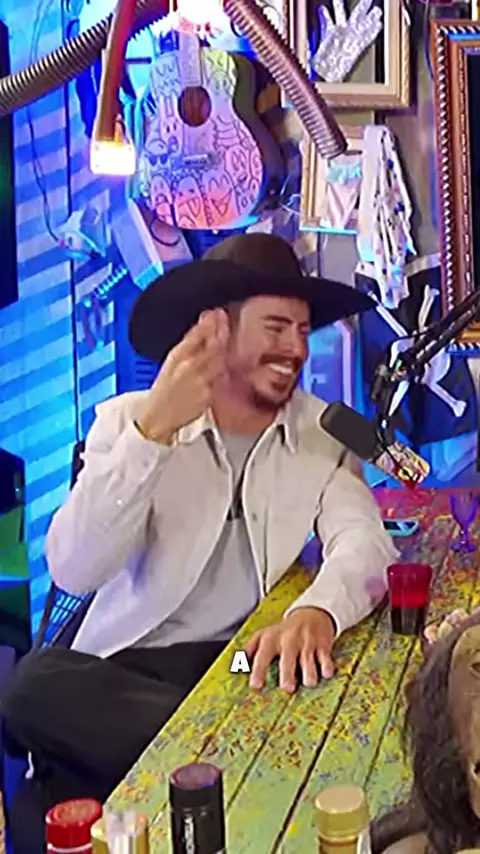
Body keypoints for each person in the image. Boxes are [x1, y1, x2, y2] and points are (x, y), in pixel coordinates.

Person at [2, 233, 397, 851]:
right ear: (216, 329)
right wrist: (154, 431)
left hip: (241, 664)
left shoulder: (320, 431)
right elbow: (74, 570)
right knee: (33, 687)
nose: (296, 348)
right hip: (127, 672)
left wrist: (318, 611)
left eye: (302, 330)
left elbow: (365, 542)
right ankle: (236, 760)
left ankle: (208, 764)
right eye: (276, 328)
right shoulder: (129, 420)